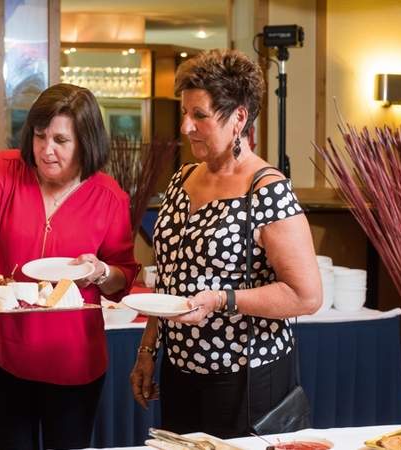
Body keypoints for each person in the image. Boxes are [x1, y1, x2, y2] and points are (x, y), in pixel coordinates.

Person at [129, 49, 322, 438]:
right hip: (179, 370)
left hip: (245, 379)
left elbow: (306, 295)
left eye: (199, 115)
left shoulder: (267, 189)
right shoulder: (182, 178)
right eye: (186, 113)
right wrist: (148, 350)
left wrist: (222, 299)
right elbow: (169, 280)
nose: (186, 126)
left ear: (238, 118)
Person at [0, 83, 140, 450]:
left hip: (74, 363)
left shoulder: (110, 197)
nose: (46, 150)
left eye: (61, 140)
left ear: (86, 142)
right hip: (2, 355)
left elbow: (121, 277)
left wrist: (101, 272)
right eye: (40, 136)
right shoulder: (6, 169)